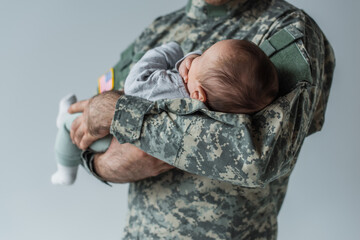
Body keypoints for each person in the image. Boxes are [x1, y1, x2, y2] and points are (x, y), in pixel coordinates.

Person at [68, 0, 335, 239]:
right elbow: (90, 126)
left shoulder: (286, 27)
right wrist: (102, 166)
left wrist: (121, 113)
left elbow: (258, 156)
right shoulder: (159, 30)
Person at [52, 39, 278, 185]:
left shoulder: (169, 85)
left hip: (110, 139)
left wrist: (175, 52)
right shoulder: (208, 113)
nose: (196, 55)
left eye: (201, 56)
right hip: (138, 224)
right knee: (79, 123)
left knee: (67, 126)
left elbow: (132, 85)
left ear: (198, 94)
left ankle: (65, 169)